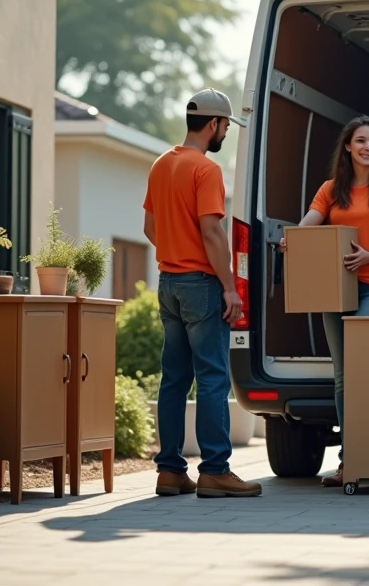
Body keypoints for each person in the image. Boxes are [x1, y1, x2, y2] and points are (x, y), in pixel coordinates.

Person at [279, 116, 369, 487]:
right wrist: (293, 240)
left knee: (362, 368)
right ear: (347, 146)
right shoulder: (331, 189)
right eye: (361, 141)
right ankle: (350, 461)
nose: (368, 147)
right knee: (343, 376)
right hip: (335, 289)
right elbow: (308, 224)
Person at [143, 88, 262, 498]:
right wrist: (229, 287)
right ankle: (214, 470)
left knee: (174, 379)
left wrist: (175, 252)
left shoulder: (161, 164)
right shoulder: (206, 170)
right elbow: (212, 231)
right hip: (201, 285)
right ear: (213, 124)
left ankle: (170, 471)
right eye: (226, 125)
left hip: (168, 284)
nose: (226, 132)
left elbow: (149, 228)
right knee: (212, 377)